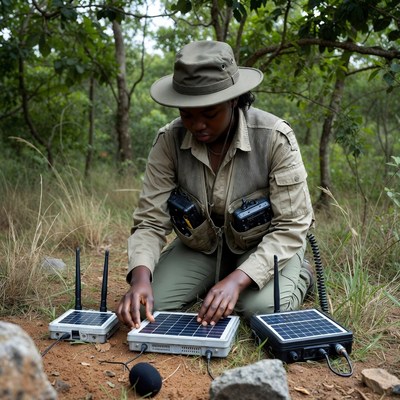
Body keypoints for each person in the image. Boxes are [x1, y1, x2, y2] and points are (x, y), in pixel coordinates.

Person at [117, 40, 314, 330]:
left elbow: (292, 225)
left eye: (209, 114)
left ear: (234, 100)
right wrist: (141, 278)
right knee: (151, 305)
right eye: (187, 113)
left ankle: (301, 275)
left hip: (263, 244)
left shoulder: (274, 138)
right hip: (203, 247)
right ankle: (217, 275)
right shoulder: (168, 141)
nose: (197, 125)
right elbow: (150, 221)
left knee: (260, 309)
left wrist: (237, 280)